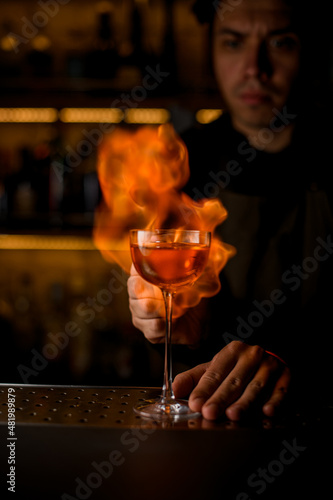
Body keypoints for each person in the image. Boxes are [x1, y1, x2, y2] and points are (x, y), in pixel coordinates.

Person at [127, 0, 333, 421]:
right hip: (205, 424)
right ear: (211, 51)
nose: (255, 67)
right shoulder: (179, 161)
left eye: (281, 42)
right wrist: (176, 327)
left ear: (309, 51)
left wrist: (298, 372)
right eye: (234, 43)